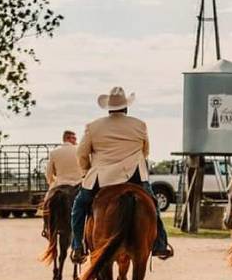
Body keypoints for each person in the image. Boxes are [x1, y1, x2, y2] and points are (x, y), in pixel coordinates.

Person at [70, 87, 173, 263]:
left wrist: (87, 171)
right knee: (153, 205)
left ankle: (78, 246)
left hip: (101, 177)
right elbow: (145, 151)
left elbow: (81, 153)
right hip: (133, 175)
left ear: (108, 108)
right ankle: (160, 244)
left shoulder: (93, 127)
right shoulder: (139, 125)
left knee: (79, 207)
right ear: (126, 107)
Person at [39, 129, 84, 236]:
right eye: (74, 138)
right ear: (67, 138)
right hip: (78, 184)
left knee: (46, 202)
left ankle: (47, 227)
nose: (76, 140)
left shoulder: (54, 153)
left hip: (60, 183)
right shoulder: (79, 150)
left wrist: (51, 184)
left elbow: (48, 173)